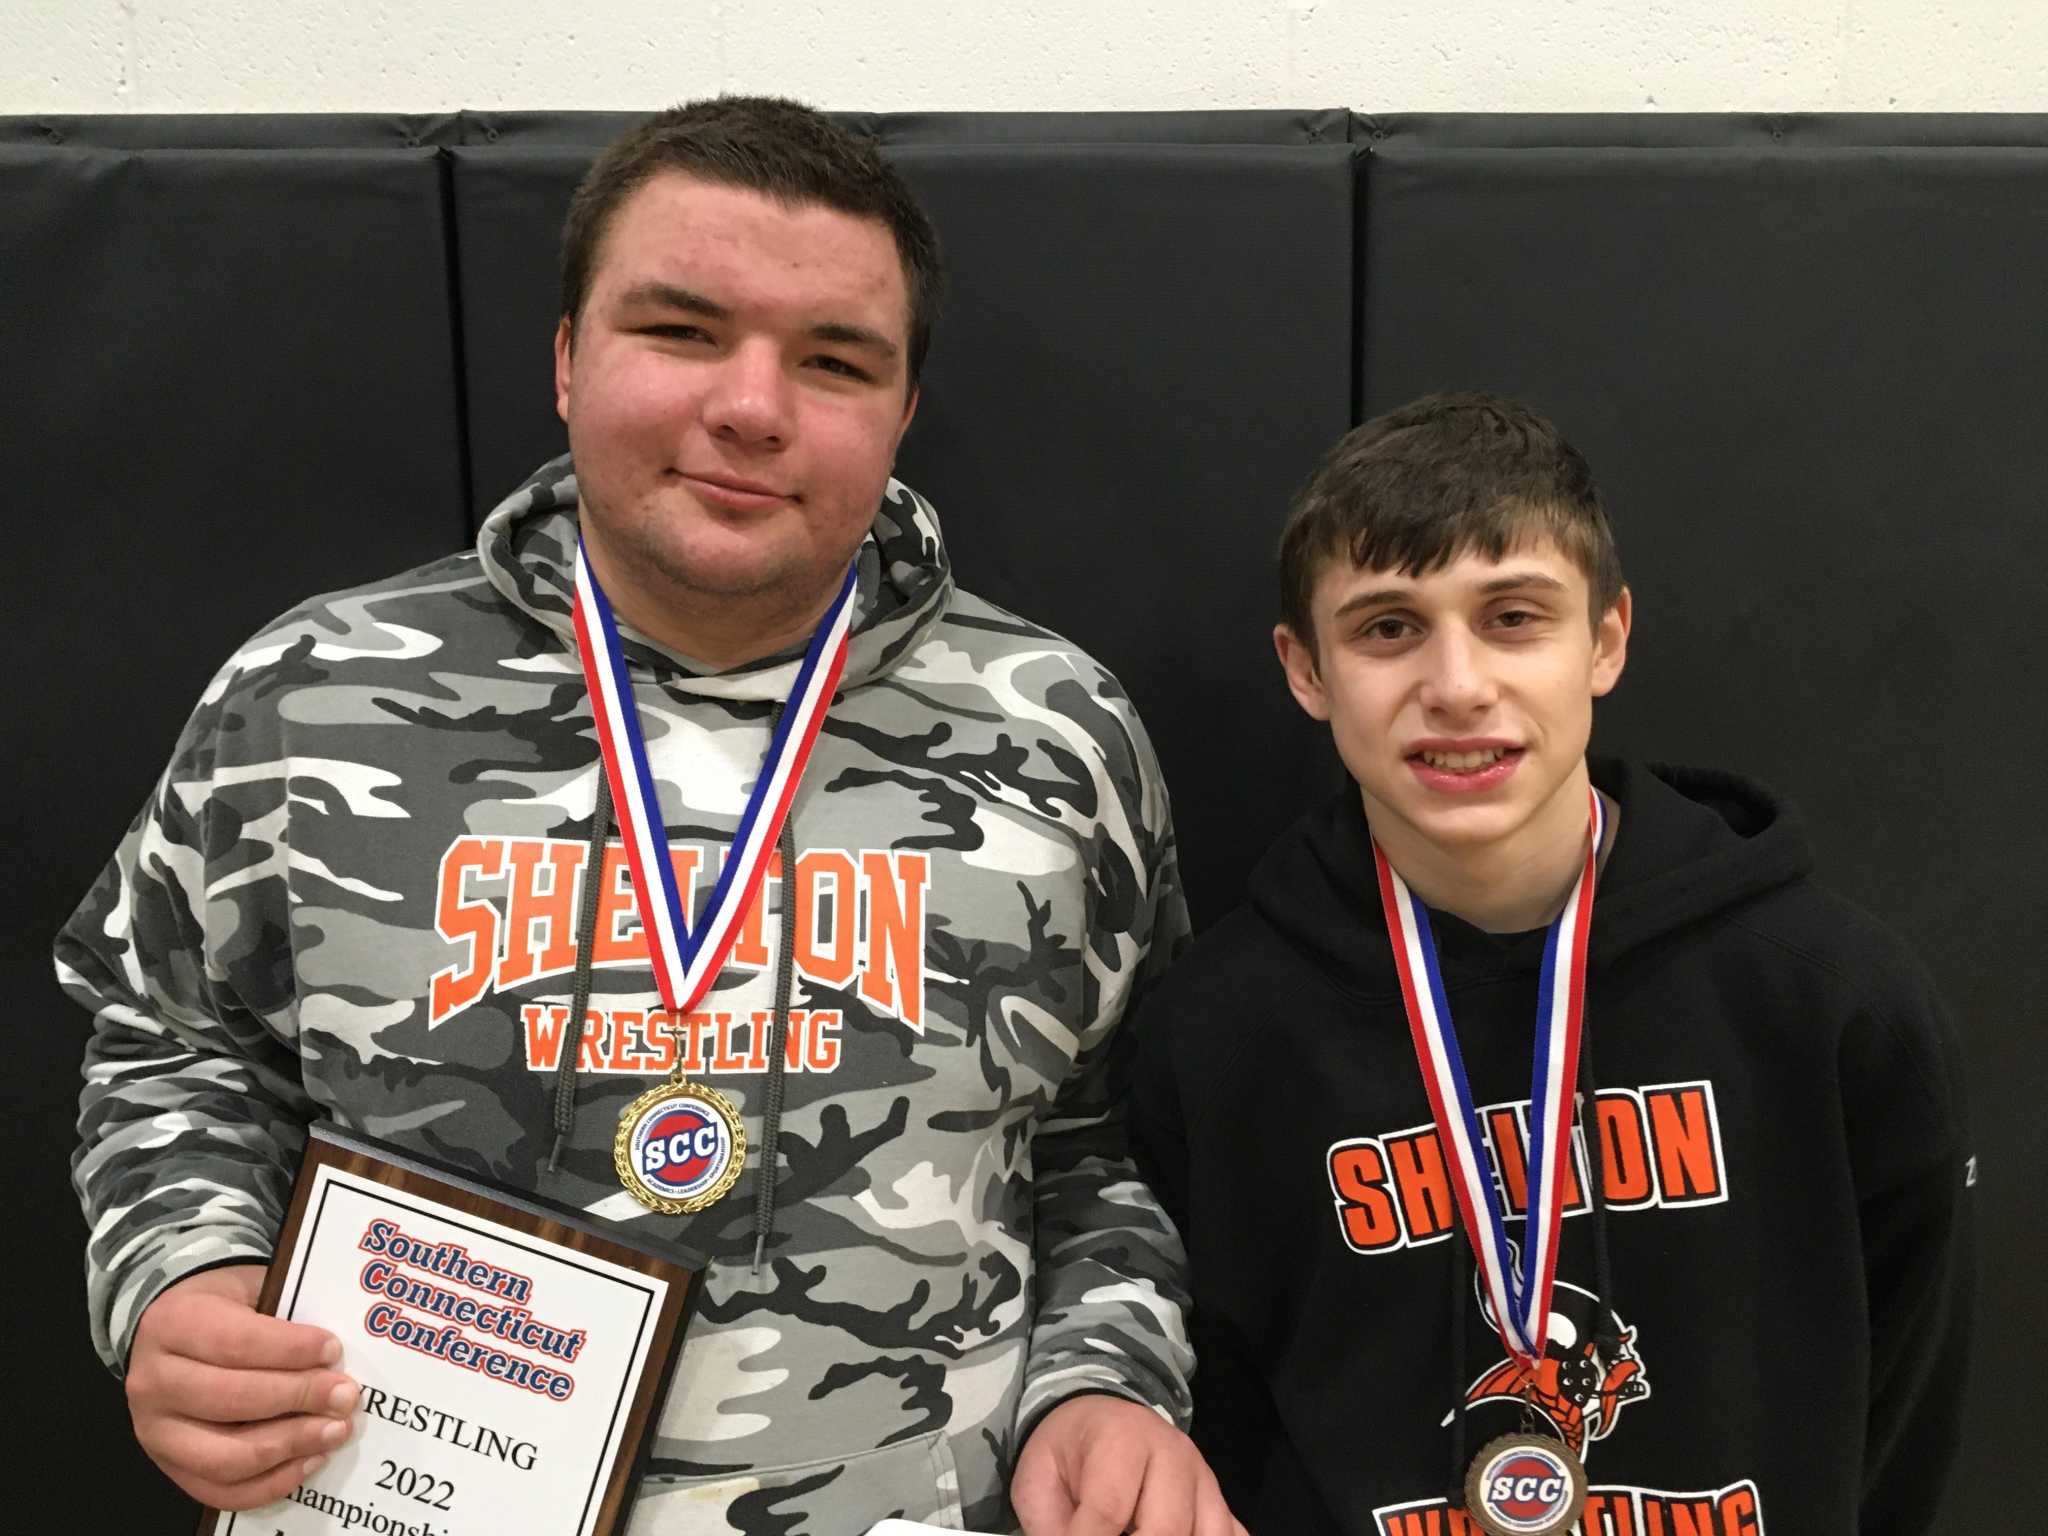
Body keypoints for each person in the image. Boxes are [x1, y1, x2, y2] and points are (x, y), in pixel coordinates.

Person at [59, 96, 1238, 1536]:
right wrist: (181, 1275)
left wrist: (1109, 1386)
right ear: (565, 359)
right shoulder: (308, 697)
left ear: (905, 408)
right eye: (681, 332)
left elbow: (1105, 1143)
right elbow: (173, 1047)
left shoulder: (1063, 736)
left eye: (836, 360)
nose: (751, 405)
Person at [1128, 392, 1973, 1535]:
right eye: (1387, 627)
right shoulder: (1217, 1032)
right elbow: (1216, 1412)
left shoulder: (1826, 996)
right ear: (1305, 669)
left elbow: (1903, 1408)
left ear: (1606, 640)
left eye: (1513, 617)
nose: (1457, 683)